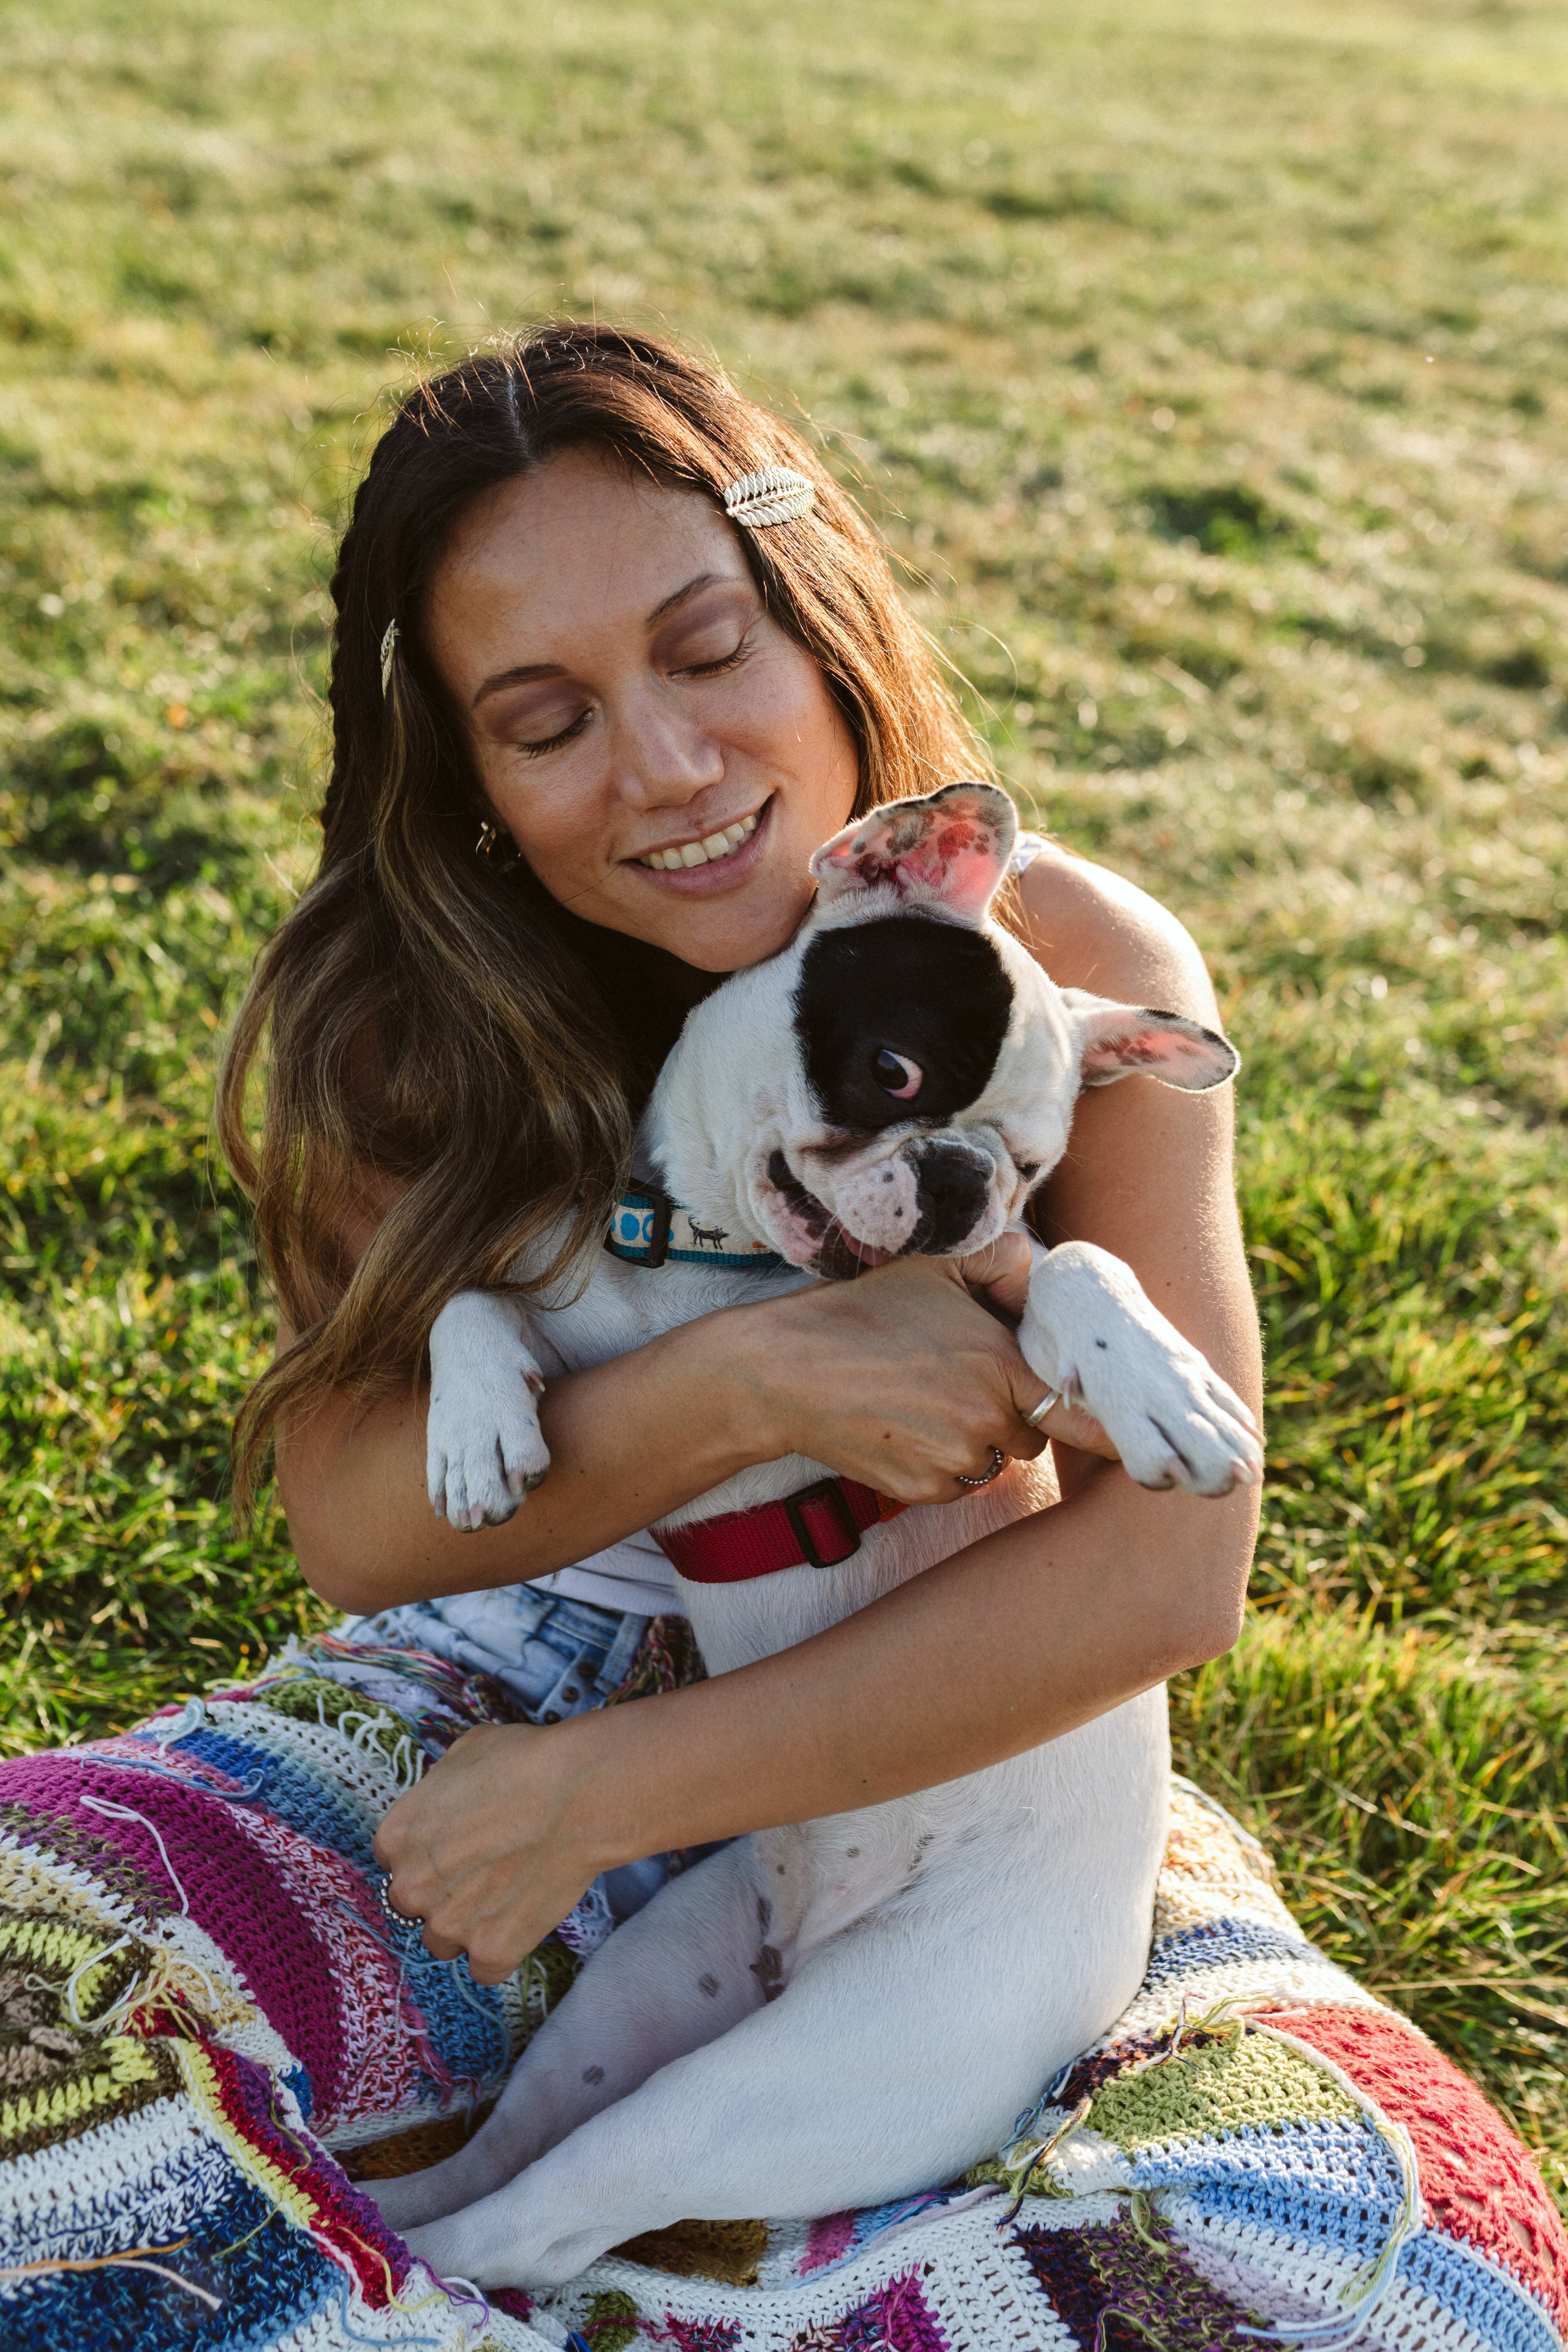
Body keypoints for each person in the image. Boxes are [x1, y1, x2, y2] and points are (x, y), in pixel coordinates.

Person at [4, 326, 1559, 2352]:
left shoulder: (1065, 966)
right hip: (486, 1710)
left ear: (818, 621)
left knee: (1379, 2287)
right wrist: (748, 1386)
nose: (664, 765)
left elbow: (1170, 1570)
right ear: (469, 781)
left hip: (958, 1732)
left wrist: (616, 1794)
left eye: (708, 649)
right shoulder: (422, 1023)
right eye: (546, 720)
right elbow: (363, 1531)